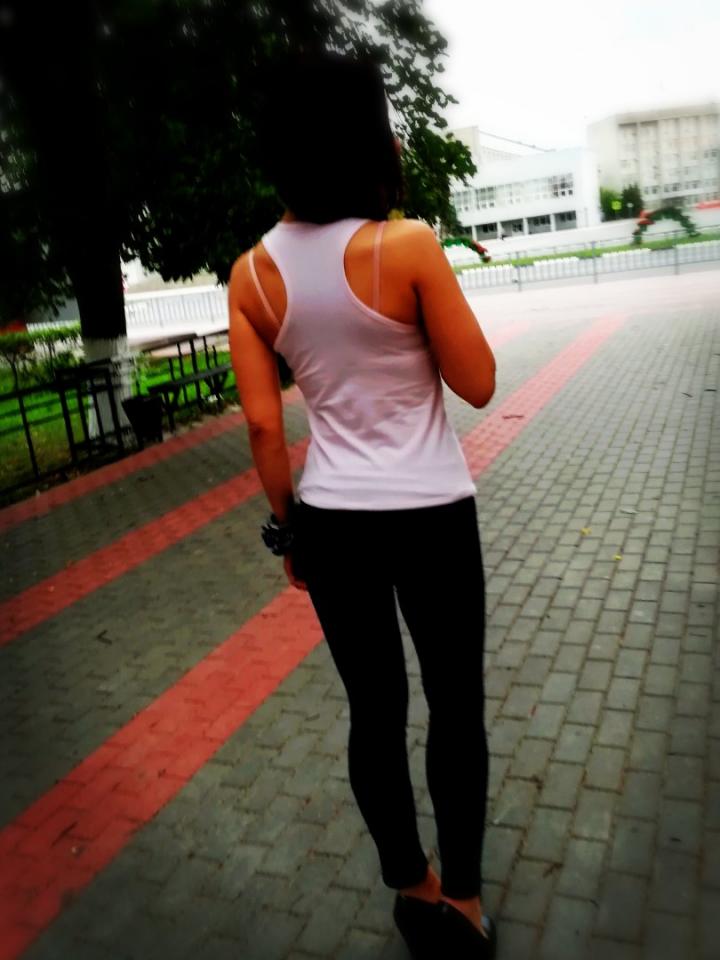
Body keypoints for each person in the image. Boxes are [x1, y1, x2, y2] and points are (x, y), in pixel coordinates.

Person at [228, 52, 497, 959]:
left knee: (373, 714)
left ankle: (411, 888)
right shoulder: (406, 246)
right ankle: (463, 900)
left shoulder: (250, 275)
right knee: (455, 707)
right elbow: (479, 381)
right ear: (367, 138)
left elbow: (264, 428)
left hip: (333, 522)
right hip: (432, 515)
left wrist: (289, 532)